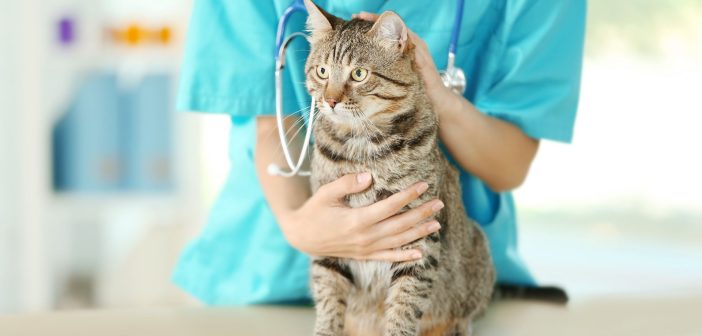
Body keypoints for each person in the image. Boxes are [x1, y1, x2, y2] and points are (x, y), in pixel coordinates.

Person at [173, 0, 586, 305]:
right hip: (269, 277)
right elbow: (269, 116)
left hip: (433, 282)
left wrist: (435, 96)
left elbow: (510, 163)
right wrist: (299, 226)